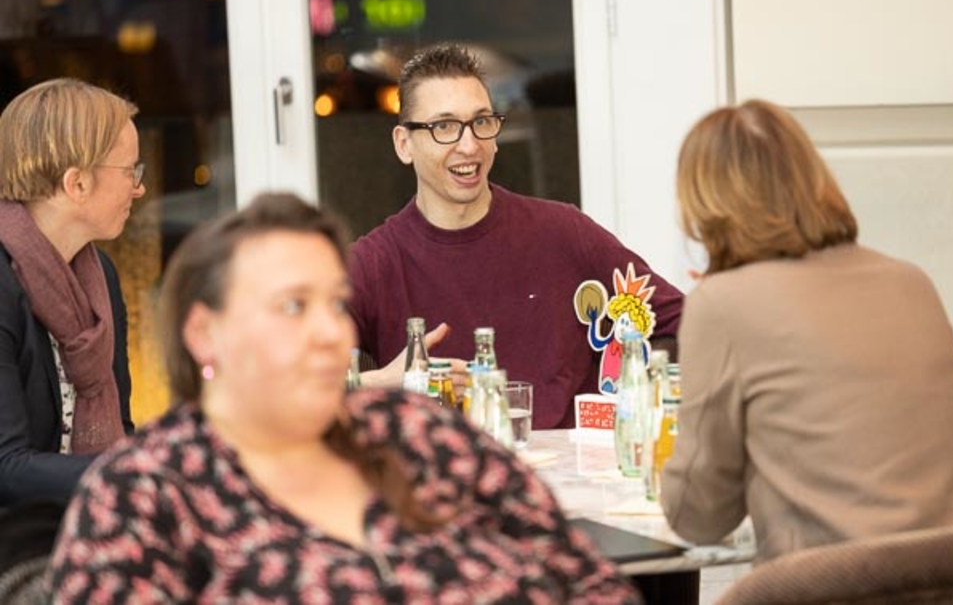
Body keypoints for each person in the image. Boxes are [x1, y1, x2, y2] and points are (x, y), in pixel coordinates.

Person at [46, 192, 641, 603]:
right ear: (206, 333)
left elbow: (590, 583)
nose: (331, 330)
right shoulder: (146, 494)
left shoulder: (418, 435)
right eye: (291, 306)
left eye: (334, 304)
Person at [660, 99, 953, 563]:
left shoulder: (723, 304)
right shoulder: (909, 280)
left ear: (703, 206)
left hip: (849, 586)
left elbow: (698, 515)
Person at [350, 43, 683, 428]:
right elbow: (280, 386)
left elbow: (688, 324)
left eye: (482, 121)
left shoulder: (564, 233)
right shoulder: (373, 264)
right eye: (444, 127)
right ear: (403, 144)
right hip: (447, 481)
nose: (470, 145)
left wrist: (635, 394)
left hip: (574, 481)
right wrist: (375, 384)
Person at [0, 79, 139, 506]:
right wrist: (140, 473)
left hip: (84, 526)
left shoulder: (102, 277)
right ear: (77, 183)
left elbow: (123, 430)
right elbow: (6, 468)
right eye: (130, 171)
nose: (139, 188)